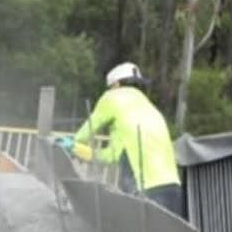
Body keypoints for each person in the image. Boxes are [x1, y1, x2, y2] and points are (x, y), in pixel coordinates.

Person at [62, 62, 184, 216]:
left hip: (145, 190)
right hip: (174, 188)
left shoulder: (112, 98)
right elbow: (114, 155)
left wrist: (71, 145)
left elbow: (84, 135)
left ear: (116, 84)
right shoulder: (149, 109)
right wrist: (84, 152)